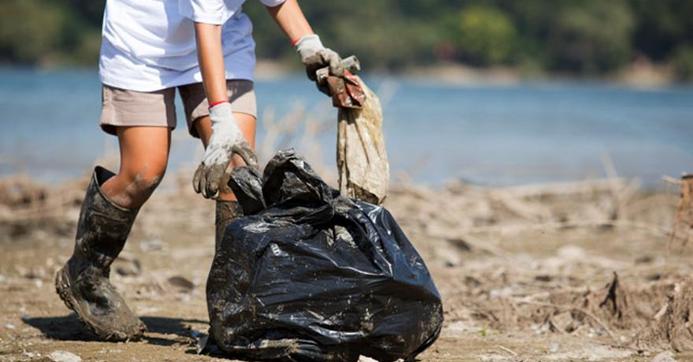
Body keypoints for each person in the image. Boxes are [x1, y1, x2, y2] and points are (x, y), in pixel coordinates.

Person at [54, 0, 346, 341]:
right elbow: (204, 24)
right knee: (142, 173)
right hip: (143, 45)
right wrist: (221, 120)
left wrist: (311, 47)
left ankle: (234, 311)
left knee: (240, 173)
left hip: (223, 41)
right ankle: (85, 276)